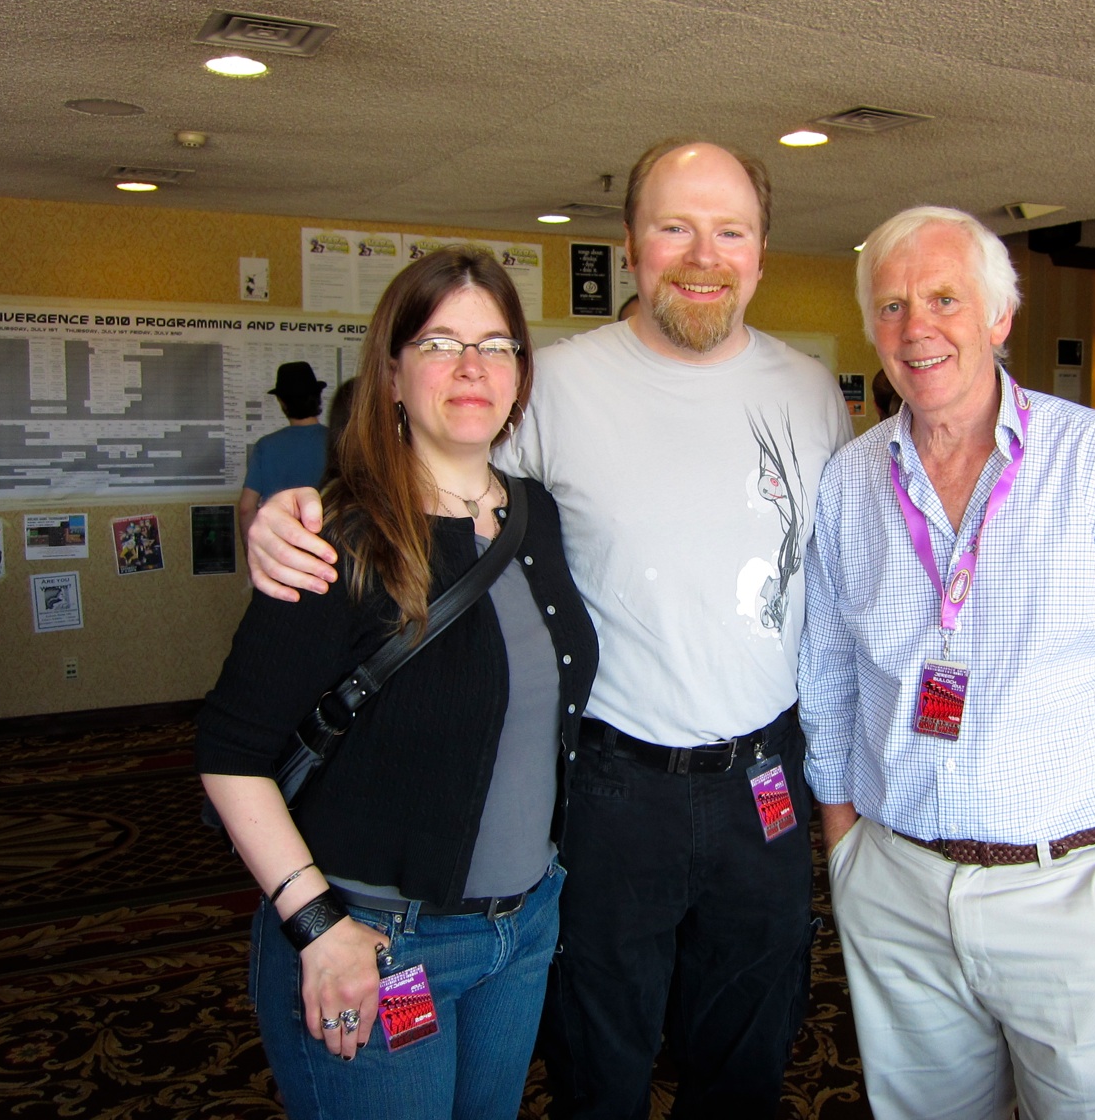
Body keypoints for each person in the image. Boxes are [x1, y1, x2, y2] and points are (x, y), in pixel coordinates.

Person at [244, 139, 852, 1118]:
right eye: (674, 227)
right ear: (629, 246)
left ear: (762, 252)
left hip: (766, 786)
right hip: (614, 786)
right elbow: (431, 457)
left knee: (751, 1045)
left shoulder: (810, 393)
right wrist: (296, 509)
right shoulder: (556, 384)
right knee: (598, 1054)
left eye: (729, 231)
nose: (703, 253)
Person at [799, 206, 1095, 1119]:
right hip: (897, 887)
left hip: (1069, 890)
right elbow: (826, 672)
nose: (918, 327)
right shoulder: (851, 478)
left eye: (946, 298)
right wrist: (846, 848)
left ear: (999, 317)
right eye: (894, 305)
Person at [196, 247, 598, 1120]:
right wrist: (315, 924)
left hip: (521, 929)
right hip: (374, 941)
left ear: (520, 375)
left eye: (495, 345)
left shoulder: (536, 512)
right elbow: (229, 753)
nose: (469, 367)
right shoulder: (336, 536)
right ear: (391, 373)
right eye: (439, 342)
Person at [239, 361, 329, 548]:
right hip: (328, 550)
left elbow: (246, 508)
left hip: (279, 553)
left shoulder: (265, 446)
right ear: (318, 396)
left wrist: (253, 557)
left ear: (282, 402)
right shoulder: (339, 442)